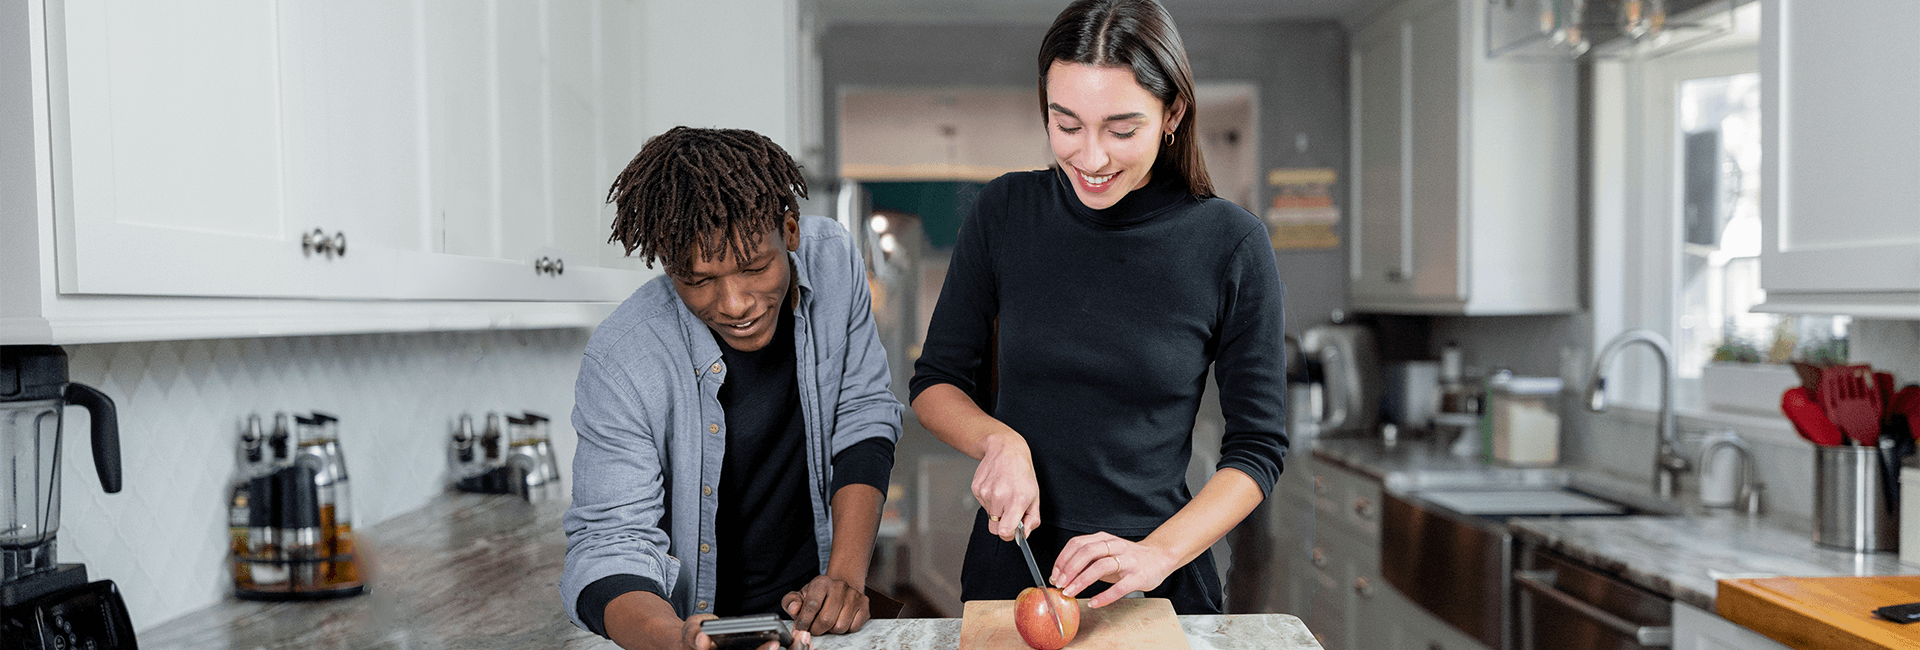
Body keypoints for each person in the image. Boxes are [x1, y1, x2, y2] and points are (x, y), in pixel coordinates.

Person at [908, 0, 1288, 615]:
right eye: (1067, 124)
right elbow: (934, 385)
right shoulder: (1004, 213)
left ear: (1174, 114)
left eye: (1121, 129)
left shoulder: (1231, 243)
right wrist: (998, 441)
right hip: (1014, 577)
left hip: (1155, 585)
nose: (1091, 157)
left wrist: (1157, 555)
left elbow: (1257, 448)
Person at [562, 127, 902, 650]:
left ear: (789, 231)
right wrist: (678, 640)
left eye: (754, 267)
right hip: (690, 629)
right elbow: (609, 545)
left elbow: (863, 414)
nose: (735, 304)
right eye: (697, 281)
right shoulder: (622, 359)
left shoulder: (833, 260)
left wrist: (843, 580)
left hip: (814, 625)